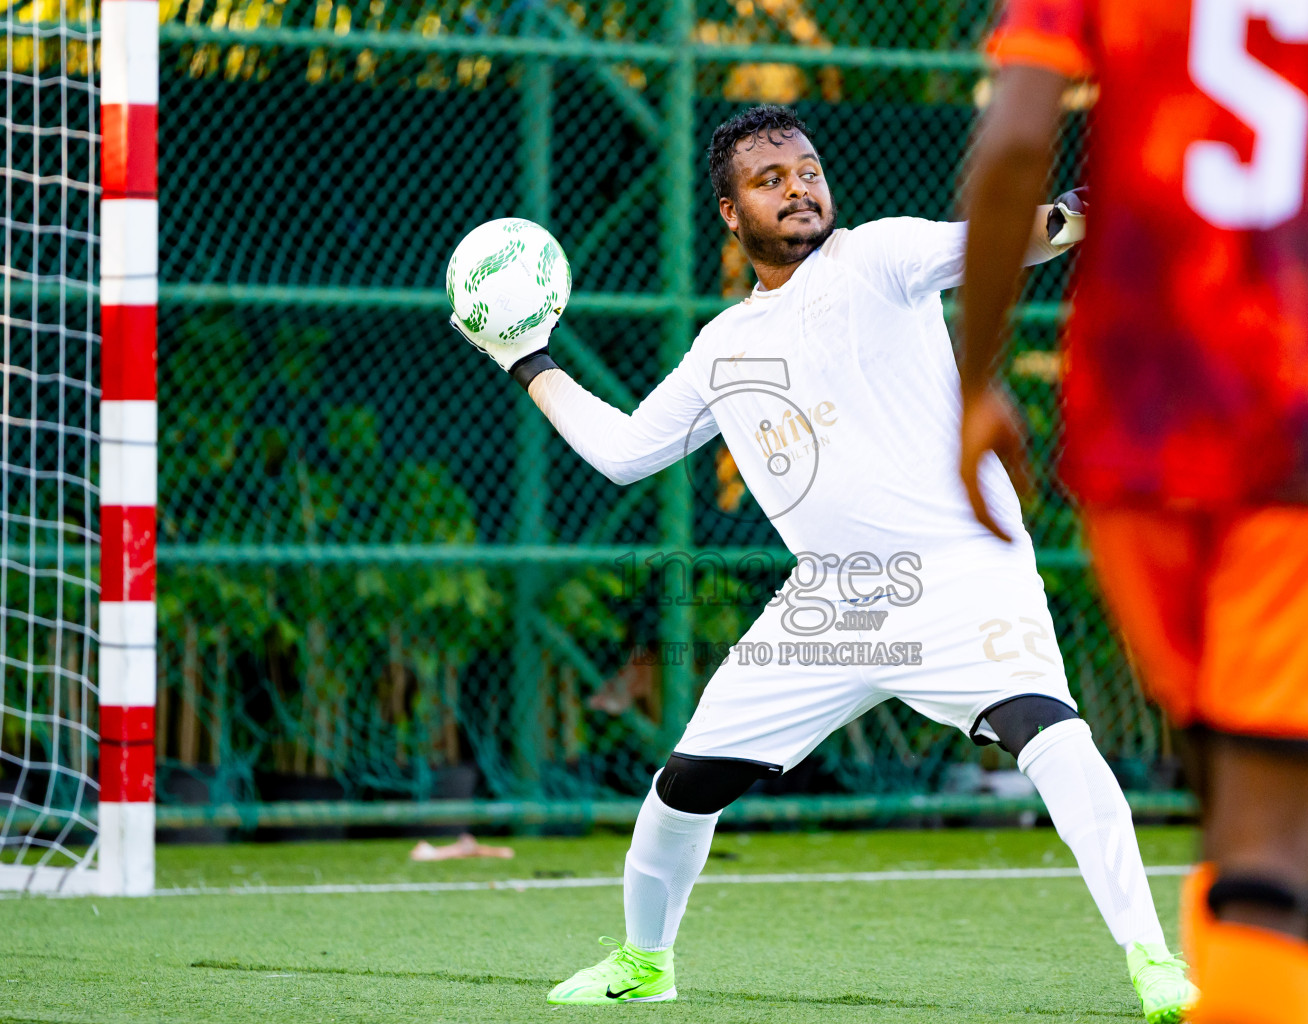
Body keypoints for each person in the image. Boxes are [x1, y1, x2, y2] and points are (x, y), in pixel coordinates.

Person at [456, 105, 1195, 1021]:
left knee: (1053, 736)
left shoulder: (879, 256)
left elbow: (1011, 239)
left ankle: (1154, 961)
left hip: (967, 572)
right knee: (684, 786)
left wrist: (1083, 210)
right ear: (731, 213)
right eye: (769, 179)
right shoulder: (724, 347)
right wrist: (524, 357)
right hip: (834, 603)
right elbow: (622, 452)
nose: (798, 187)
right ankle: (645, 964)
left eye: (806, 169)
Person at [956, 3, 1308, 1022]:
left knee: (1236, 817)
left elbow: (1012, 143)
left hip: (1139, 437)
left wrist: (975, 382)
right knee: (1277, 859)